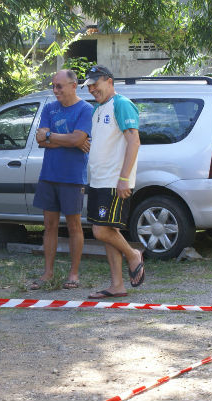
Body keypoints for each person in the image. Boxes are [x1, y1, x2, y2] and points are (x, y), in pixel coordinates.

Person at [82, 65, 145, 299]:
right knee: (108, 229)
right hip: (99, 180)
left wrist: (124, 178)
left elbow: (134, 142)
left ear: (108, 81)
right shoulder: (97, 109)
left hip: (113, 181)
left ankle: (133, 255)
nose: (91, 89)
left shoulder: (121, 104)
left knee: (101, 230)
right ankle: (117, 285)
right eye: (88, 85)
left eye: (94, 84)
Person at [30, 69, 94, 290]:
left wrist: (52, 137)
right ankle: (48, 273)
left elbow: (78, 138)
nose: (55, 90)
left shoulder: (86, 109)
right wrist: (69, 140)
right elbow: (41, 140)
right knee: (49, 225)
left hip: (72, 177)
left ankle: (74, 274)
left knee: (74, 226)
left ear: (74, 86)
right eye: (53, 86)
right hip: (49, 175)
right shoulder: (49, 108)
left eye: (60, 86)